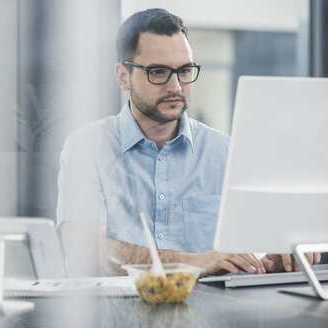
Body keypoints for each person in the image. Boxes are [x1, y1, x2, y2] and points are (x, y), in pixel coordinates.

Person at [56, 8, 320, 277]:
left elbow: (242, 254)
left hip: (210, 314)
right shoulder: (87, 148)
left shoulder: (224, 153)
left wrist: (271, 259)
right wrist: (190, 263)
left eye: (184, 70)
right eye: (158, 72)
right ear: (123, 76)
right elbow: (84, 251)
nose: (176, 86)